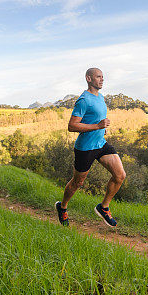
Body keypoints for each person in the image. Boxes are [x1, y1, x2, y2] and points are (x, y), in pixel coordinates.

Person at [55, 67, 126, 227]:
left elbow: (97, 119)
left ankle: (103, 207)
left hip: (100, 144)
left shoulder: (100, 97)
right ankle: (62, 206)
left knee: (120, 175)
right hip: (85, 148)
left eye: (103, 77)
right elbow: (72, 126)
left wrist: (102, 128)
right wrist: (97, 126)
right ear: (88, 78)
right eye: (98, 77)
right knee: (77, 183)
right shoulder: (83, 100)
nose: (102, 79)